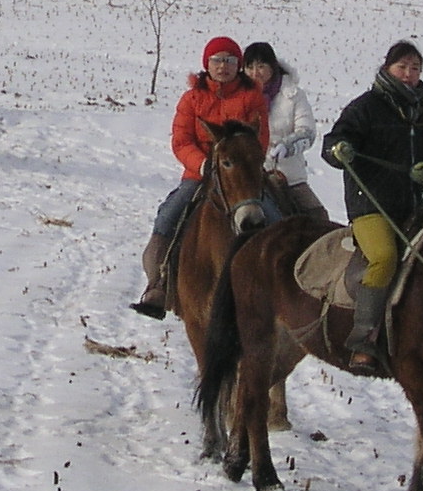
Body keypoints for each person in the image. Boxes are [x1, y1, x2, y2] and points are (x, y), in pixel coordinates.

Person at [321, 40, 423, 373]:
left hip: (415, 205)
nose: (408, 75)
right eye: (402, 67)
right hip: (371, 204)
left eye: (414, 68)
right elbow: (333, 142)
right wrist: (341, 149)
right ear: (387, 68)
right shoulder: (365, 107)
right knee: (384, 257)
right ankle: (363, 338)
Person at [131, 36, 271, 317]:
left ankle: (282, 286)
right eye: (217, 60)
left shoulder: (251, 96)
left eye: (230, 61)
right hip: (199, 174)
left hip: (241, 174)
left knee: (276, 216)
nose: (223, 67)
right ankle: (159, 283)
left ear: (238, 65)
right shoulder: (192, 98)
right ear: (206, 64)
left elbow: (260, 137)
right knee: (169, 216)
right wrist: (205, 165)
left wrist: (245, 164)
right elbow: (181, 140)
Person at [242, 41, 326, 220]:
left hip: (288, 175)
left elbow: (307, 132)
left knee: (318, 216)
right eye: (249, 67)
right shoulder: (240, 96)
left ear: (272, 67)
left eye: (261, 66)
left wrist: (287, 146)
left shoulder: (293, 95)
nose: (255, 73)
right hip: (249, 175)